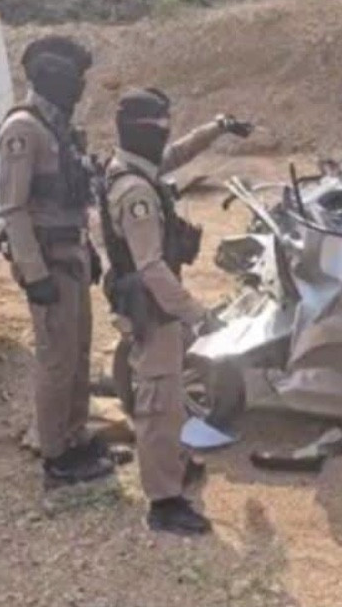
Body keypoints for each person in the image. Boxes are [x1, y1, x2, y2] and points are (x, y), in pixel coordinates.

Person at [101, 89, 252, 535]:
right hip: (152, 308)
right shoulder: (136, 193)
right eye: (161, 129)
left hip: (159, 305)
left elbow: (180, 152)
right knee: (157, 404)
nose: (166, 138)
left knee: (170, 400)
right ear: (144, 133)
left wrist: (218, 127)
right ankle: (164, 501)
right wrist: (199, 315)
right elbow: (151, 268)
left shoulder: (134, 166)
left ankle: (176, 466)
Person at [0, 35, 113, 489]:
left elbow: (72, 202)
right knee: (56, 360)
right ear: (53, 77)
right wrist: (34, 274)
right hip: (48, 262)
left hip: (71, 254)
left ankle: (75, 434)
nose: (81, 87)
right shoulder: (23, 130)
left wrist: (90, 251)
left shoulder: (58, 127)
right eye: (75, 78)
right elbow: (13, 209)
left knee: (79, 351)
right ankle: (55, 457)